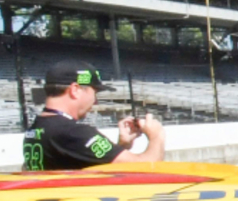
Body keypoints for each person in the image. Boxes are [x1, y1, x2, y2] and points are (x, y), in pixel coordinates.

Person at [22, 61, 165, 170]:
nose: (95, 101)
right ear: (75, 90)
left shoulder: (36, 128)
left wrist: (121, 146)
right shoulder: (74, 132)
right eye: (94, 93)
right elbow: (145, 169)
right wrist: (156, 136)